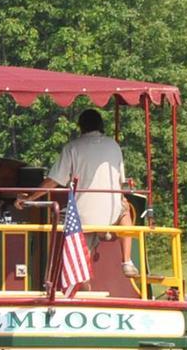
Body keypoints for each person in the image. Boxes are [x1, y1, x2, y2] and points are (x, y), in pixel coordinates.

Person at [16, 109, 138, 278]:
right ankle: (127, 261)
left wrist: (30, 198)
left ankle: (65, 283)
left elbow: (54, 181)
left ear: (81, 127)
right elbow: (120, 182)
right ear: (101, 126)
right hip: (111, 213)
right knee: (125, 211)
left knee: (79, 264)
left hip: (82, 217)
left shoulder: (72, 148)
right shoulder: (114, 146)